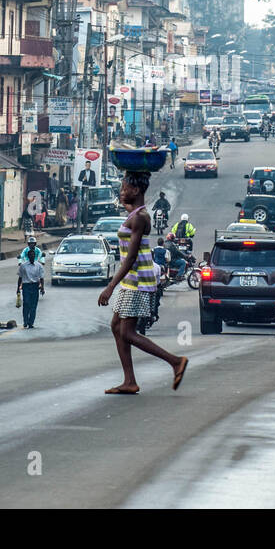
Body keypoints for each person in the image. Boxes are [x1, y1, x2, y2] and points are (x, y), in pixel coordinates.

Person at [97, 169, 188, 395]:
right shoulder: (135, 213)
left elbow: (130, 258)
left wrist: (110, 287)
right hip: (132, 280)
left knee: (127, 332)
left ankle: (175, 362)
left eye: (124, 188)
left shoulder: (139, 218)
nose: (120, 192)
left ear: (136, 190)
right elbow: (131, 208)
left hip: (137, 280)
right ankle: (129, 381)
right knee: (116, 327)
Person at [17, 245, 45, 329]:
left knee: (33, 306)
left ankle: (31, 322)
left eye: (33, 255)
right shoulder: (23, 266)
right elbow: (20, 278)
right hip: (26, 286)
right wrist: (18, 288)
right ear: (28, 256)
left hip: (35, 286)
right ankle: (25, 321)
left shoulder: (39, 266)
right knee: (26, 304)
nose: (32, 257)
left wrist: (42, 288)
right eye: (31, 255)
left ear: (35, 256)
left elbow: (41, 278)